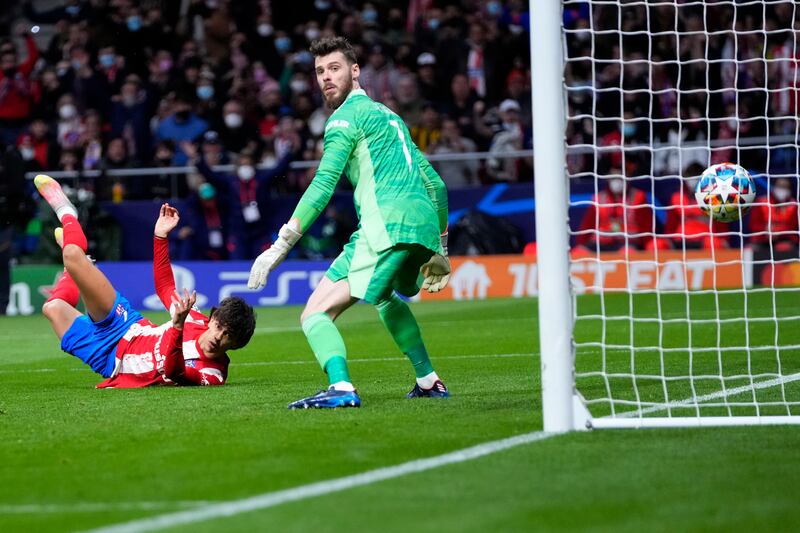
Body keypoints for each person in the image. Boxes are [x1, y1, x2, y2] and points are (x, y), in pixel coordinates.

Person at [247, 37, 452, 409]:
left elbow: (324, 184)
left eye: (335, 68)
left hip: (384, 226)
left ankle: (341, 388)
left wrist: (280, 245)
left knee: (314, 314)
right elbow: (435, 185)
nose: (326, 78)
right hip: (421, 227)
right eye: (320, 72)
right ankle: (429, 380)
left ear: (355, 71)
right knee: (387, 295)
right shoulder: (392, 117)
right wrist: (442, 244)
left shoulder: (343, 119)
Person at [35, 174, 256, 387]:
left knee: (53, 307)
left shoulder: (213, 374)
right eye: (218, 326)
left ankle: (77, 267)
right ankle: (67, 212)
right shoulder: (194, 318)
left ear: (236, 345)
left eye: (228, 335)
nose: (218, 336)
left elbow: (174, 372)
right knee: (73, 255)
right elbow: (165, 287)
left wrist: (177, 327)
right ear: (212, 319)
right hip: (125, 326)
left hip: (109, 360)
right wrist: (160, 236)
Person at [749, 178, 799, 253]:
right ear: (774, 187)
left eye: (785, 187)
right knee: (749, 249)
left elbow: (793, 228)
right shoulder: (761, 202)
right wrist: (765, 229)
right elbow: (754, 225)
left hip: (785, 240)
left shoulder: (795, 205)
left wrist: (777, 231)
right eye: (779, 186)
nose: (782, 189)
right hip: (762, 240)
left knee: (785, 247)